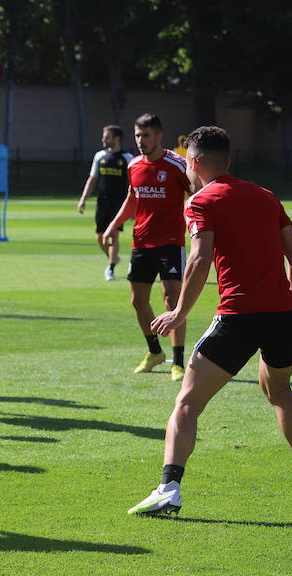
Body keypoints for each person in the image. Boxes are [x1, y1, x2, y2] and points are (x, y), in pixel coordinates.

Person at [127, 125, 292, 517]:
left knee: (187, 403)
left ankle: (168, 489)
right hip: (282, 316)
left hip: (238, 317)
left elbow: (197, 258)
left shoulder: (200, 201)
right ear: (229, 160)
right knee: (280, 392)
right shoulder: (266, 196)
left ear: (193, 162)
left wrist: (179, 311)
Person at [102, 113, 192, 380]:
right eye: (138, 135)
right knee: (138, 301)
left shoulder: (177, 164)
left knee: (172, 301)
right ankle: (155, 352)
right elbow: (132, 198)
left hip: (171, 243)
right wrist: (112, 225)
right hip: (141, 242)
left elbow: (195, 193)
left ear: (159, 136)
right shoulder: (134, 166)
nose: (141, 141)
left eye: (146, 135)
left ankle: (177, 362)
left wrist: (193, 219)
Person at [77, 125, 134, 281]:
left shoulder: (127, 158)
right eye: (104, 136)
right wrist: (83, 199)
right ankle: (113, 258)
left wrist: (134, 206)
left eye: (107, 137)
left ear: (117, 138)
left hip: (119, 204)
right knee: (100, 238)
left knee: (113, 235)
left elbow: (134, 183)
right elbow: (93, 179)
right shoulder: (99, 156)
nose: (103, 139)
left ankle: (110, 268)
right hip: (102, 203)